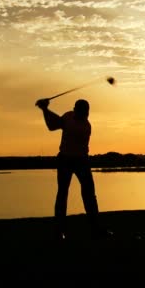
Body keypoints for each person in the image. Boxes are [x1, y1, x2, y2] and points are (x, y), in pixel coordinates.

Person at [35, 98, 107, 240]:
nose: (86, 114)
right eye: (84, 111)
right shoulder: (70, 117)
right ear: (77, 110)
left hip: (79, 160)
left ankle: (94, 228)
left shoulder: (85, 126)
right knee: (65, 194)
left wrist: (45, 109)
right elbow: (52, 125)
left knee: (87, 195)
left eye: (86, 112)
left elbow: (54, 124)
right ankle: (61, 230)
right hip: (67, 160)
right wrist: (45, 110)